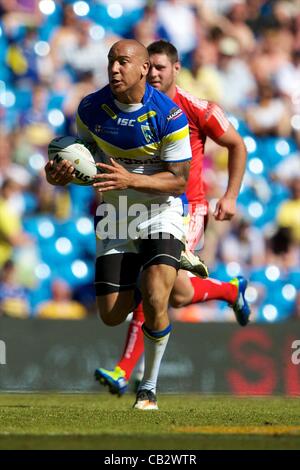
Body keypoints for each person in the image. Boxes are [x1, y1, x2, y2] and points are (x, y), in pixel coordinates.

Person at [95, 40, 250, 397]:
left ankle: (125, 370)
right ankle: (230, 290)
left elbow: (237, 144)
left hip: (187, 207)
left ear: (176, 69)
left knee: (154, 285)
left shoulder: (197, 108)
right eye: (151, 67)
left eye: (162, 68)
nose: (155, 74)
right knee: (175, 293)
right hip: (139, 208)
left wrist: (229, 196)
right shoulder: (132, 108)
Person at [45, 39, 193, 410]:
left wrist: (131, 179)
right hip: (116, 215)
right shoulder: (91, 109)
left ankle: (149, 387)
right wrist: (58, 174)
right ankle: (152, 271)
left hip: (160, 212)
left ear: (144, 68)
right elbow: (83, 158)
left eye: (123, 62)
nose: (114, 68)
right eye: (111, 61)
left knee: (159, 295)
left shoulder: (170, 116)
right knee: (112, 315)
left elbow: (179, 180)